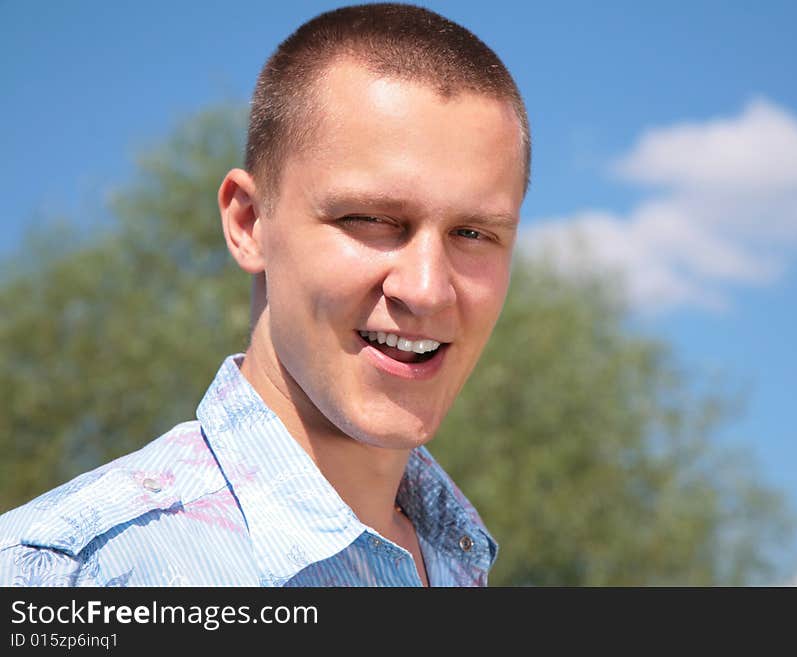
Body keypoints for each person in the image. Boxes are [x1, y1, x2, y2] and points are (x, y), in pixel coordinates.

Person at [0, 3, 529, 587]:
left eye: (473, 233)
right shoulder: (65, 576)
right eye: (371, 220)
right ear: (250, 224)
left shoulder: (458, 563)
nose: (426, 290)